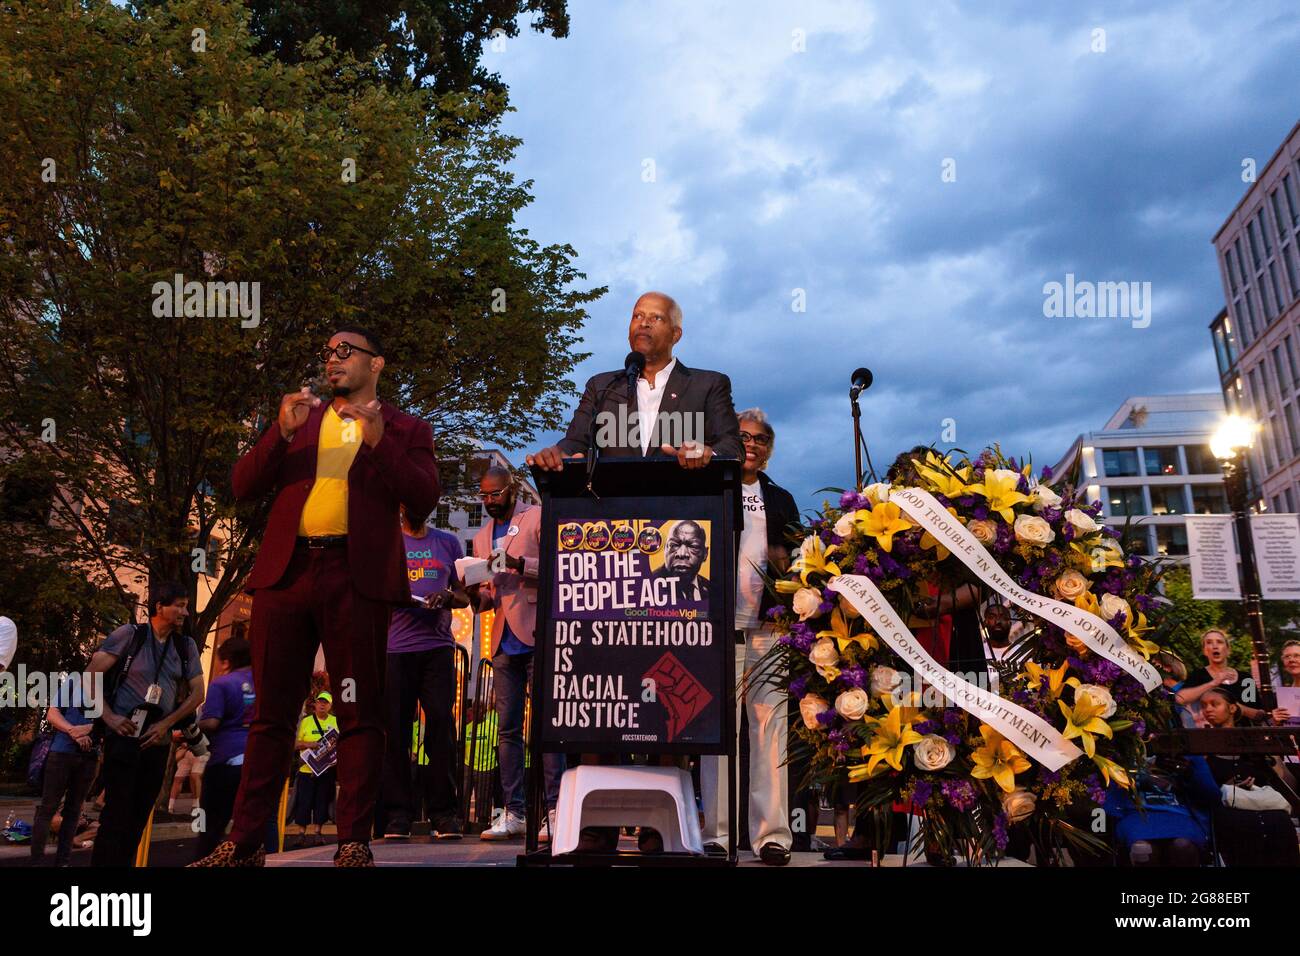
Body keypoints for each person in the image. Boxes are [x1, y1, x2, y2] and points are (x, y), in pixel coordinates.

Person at [192, 325, 441, 869]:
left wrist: (379, 442)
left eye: (346, 352)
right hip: (289, 573)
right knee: (271, 714)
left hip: (356, 578)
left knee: (358, 709)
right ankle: (245, 840)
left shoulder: (405, 427)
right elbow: (241, 485)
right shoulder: (300, 422)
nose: (334, 361)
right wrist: (278, 434)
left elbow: (423, 495)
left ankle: (353, 838)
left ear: (377, 363)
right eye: (328, 353)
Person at [700, 408, 799, 866]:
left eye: (762, 439)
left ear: (769, 447)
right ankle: (717, 833)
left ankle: (772, 835)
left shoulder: (781, 499)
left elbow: (797, 560)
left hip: (769, 628)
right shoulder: (710, 489)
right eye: (744, 437)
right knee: (719, 732)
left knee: (770, 729)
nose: (753, 445)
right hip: (718, 627)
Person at [527, 291, 742, 471]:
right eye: (637, 316)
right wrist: (558, 453)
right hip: (618, 513)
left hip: (686, 511)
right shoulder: (602, 387)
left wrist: (706, 454)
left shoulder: (708, 384)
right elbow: (576, 441)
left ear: (676, 334)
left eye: (656, 318)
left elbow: (733, 446)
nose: (644, 323)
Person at [469, 466, 565, 841]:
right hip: (502, 640)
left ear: (511, 490)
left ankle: (555, 809)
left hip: (538, 633)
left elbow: (559, 566)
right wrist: (471, 595)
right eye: (484, 496)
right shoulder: (479, 537)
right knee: (507, 730)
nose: (490, 502)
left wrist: (517, 564)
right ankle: (514, 812)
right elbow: (489, 594)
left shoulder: (536, 516)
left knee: (547, 728)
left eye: (495, 494)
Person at [87, 581, 205, 867]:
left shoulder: (185, 645)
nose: (184, 612)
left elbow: (198, 693)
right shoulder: (130, 635)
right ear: (159, 606)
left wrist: (167, 724)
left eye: (186, 606)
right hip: (124, 738)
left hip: (158, 742)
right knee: (116, 815)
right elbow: (89, 675)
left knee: (138, 818)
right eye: (179, 605)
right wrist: (110, 717)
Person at [378, 503, 468, 841]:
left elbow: (464, 596)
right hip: (396, 650)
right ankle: (398, 815)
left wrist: (446, 596)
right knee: (397, 733)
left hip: (437, 649)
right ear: (401, 507)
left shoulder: (449, 543)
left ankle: (443, 814)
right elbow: (371, 590)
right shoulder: (387, 543)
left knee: (441, 729)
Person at [1199, 685, 1300, 866]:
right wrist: (1226, 787)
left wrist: (1274, 757)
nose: (1208, 710)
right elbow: (1200, 787)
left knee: (1280, 821)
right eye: (1204, 705)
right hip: (1227, 808)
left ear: (1231, 708)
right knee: (1238, 824)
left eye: (1215, 704)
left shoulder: (1254, 739)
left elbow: (1284, 781)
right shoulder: (1201, 746)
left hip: (1263, 803)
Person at [194, 637, 272, 860]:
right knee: (252, 826)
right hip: (257, 760)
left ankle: (204, 861)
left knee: (211, 826)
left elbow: (211, 722)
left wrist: (185, 729)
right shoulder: (265, 684)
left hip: (225, 761)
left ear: (227, 661)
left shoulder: (222, 684)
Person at [30, 673, 100, 866]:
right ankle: (36, 862)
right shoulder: (75, 681)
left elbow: (109, 721)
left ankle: (63, 862)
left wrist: (88, 729)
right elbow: (52, 714)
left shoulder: (112, 687)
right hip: (61, 752)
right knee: (48, 808)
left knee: (73, 811)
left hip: (89, 756)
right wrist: (73, 731)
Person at [1177, 629, 1283, 724]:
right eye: (1209, 643)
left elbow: (1258, 714)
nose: (1215, 646)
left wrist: (1235, 707)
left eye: (1219, 642)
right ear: (1205, 651)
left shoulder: (1245, 679)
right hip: (1213, 735)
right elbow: (1180, 698)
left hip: (1245, 736)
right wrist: (1214, 683)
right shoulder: (1199, 676)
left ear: (1228, 650)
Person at [291, 691, 339, 847]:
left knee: (322, 802)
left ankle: (318, 833)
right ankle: (300, 834)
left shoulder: (335, 721)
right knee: (303, 802)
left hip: (326, 770)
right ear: (315, 704)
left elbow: (340, 744)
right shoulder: (306, 721)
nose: (322, 705)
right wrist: (309, 744)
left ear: (330, 705)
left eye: (326, 702)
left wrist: (334, 760)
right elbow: (295, 744)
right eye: (320, 702)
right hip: (306, 770)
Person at [653, 519, 711, 604]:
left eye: (693, 546)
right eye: (674, 545)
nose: (682, 553)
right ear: (665, 549)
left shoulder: (710, 587)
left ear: (705, 554)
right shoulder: (650, 584)